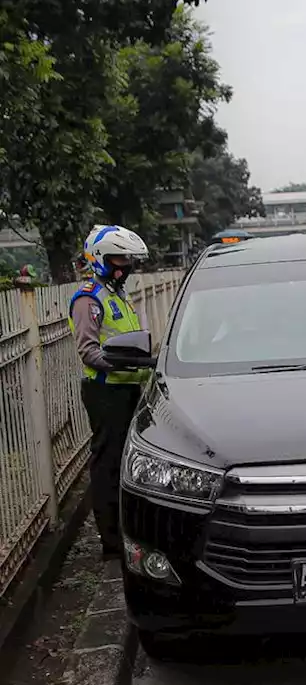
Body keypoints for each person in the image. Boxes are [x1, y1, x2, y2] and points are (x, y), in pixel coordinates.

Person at [69, 225, 152, 561]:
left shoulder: (116, 294)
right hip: (107, 394)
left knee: (127, 462)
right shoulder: (89, 298)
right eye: (120, 258)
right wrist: (125, 366)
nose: (126, 264)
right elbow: (88, 351)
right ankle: (111, 541)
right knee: (108, 466)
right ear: (101, 259)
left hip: (128, 389)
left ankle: (127, 528)